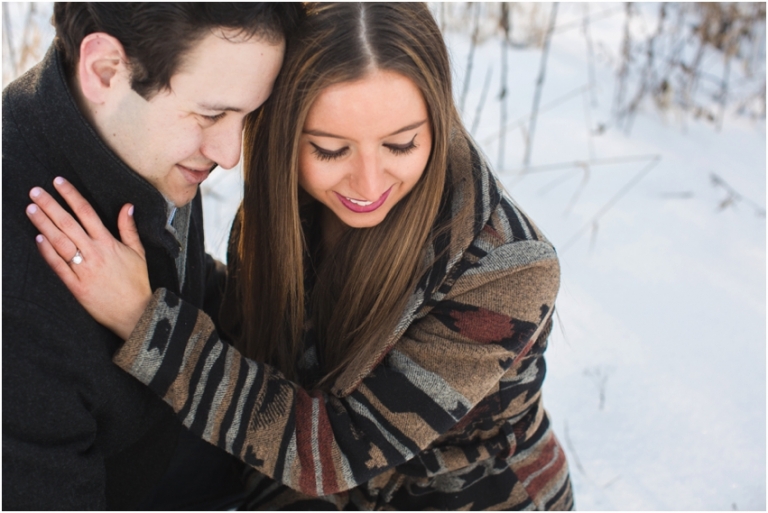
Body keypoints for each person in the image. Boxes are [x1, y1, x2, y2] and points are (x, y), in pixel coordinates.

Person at [25, 3, 575, 510]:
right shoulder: (290, 194)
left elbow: (338, 448)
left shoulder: (506, 269)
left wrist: (145, 320)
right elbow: (252, 321)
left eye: (402, 143)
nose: (367, 183)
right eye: (329, 148)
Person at [3, 3, 301, 510]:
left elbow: (189, 281)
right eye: (212, 114)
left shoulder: (136, 140)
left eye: (247, 115)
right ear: (105, 70)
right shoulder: (21, 300)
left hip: (169, 448)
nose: (230, 153)